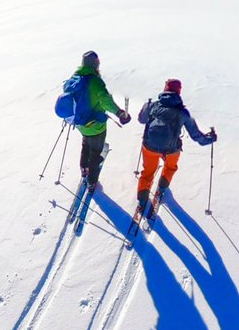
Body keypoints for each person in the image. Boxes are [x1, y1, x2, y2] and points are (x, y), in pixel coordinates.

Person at [137, 78, 216, 211]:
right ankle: (162, 186)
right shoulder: (183, 113)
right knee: (170, 167)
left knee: (148, 172)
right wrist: (210, 138)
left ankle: (142, 199)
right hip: (171, 149)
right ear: (179, 91)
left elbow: (141, 119)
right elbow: (196, 136)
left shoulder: (152, 105)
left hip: (149, 146)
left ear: (165, 89)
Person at [74, 51, 130, 192]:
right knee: (95, 151)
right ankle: (92, 181)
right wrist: (119, 113)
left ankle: (83, 168)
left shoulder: (75, 78)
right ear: (96, 64)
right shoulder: (95, 81)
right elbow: (105, 101)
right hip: (95, 125)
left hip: (80, 123)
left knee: (86, 143)